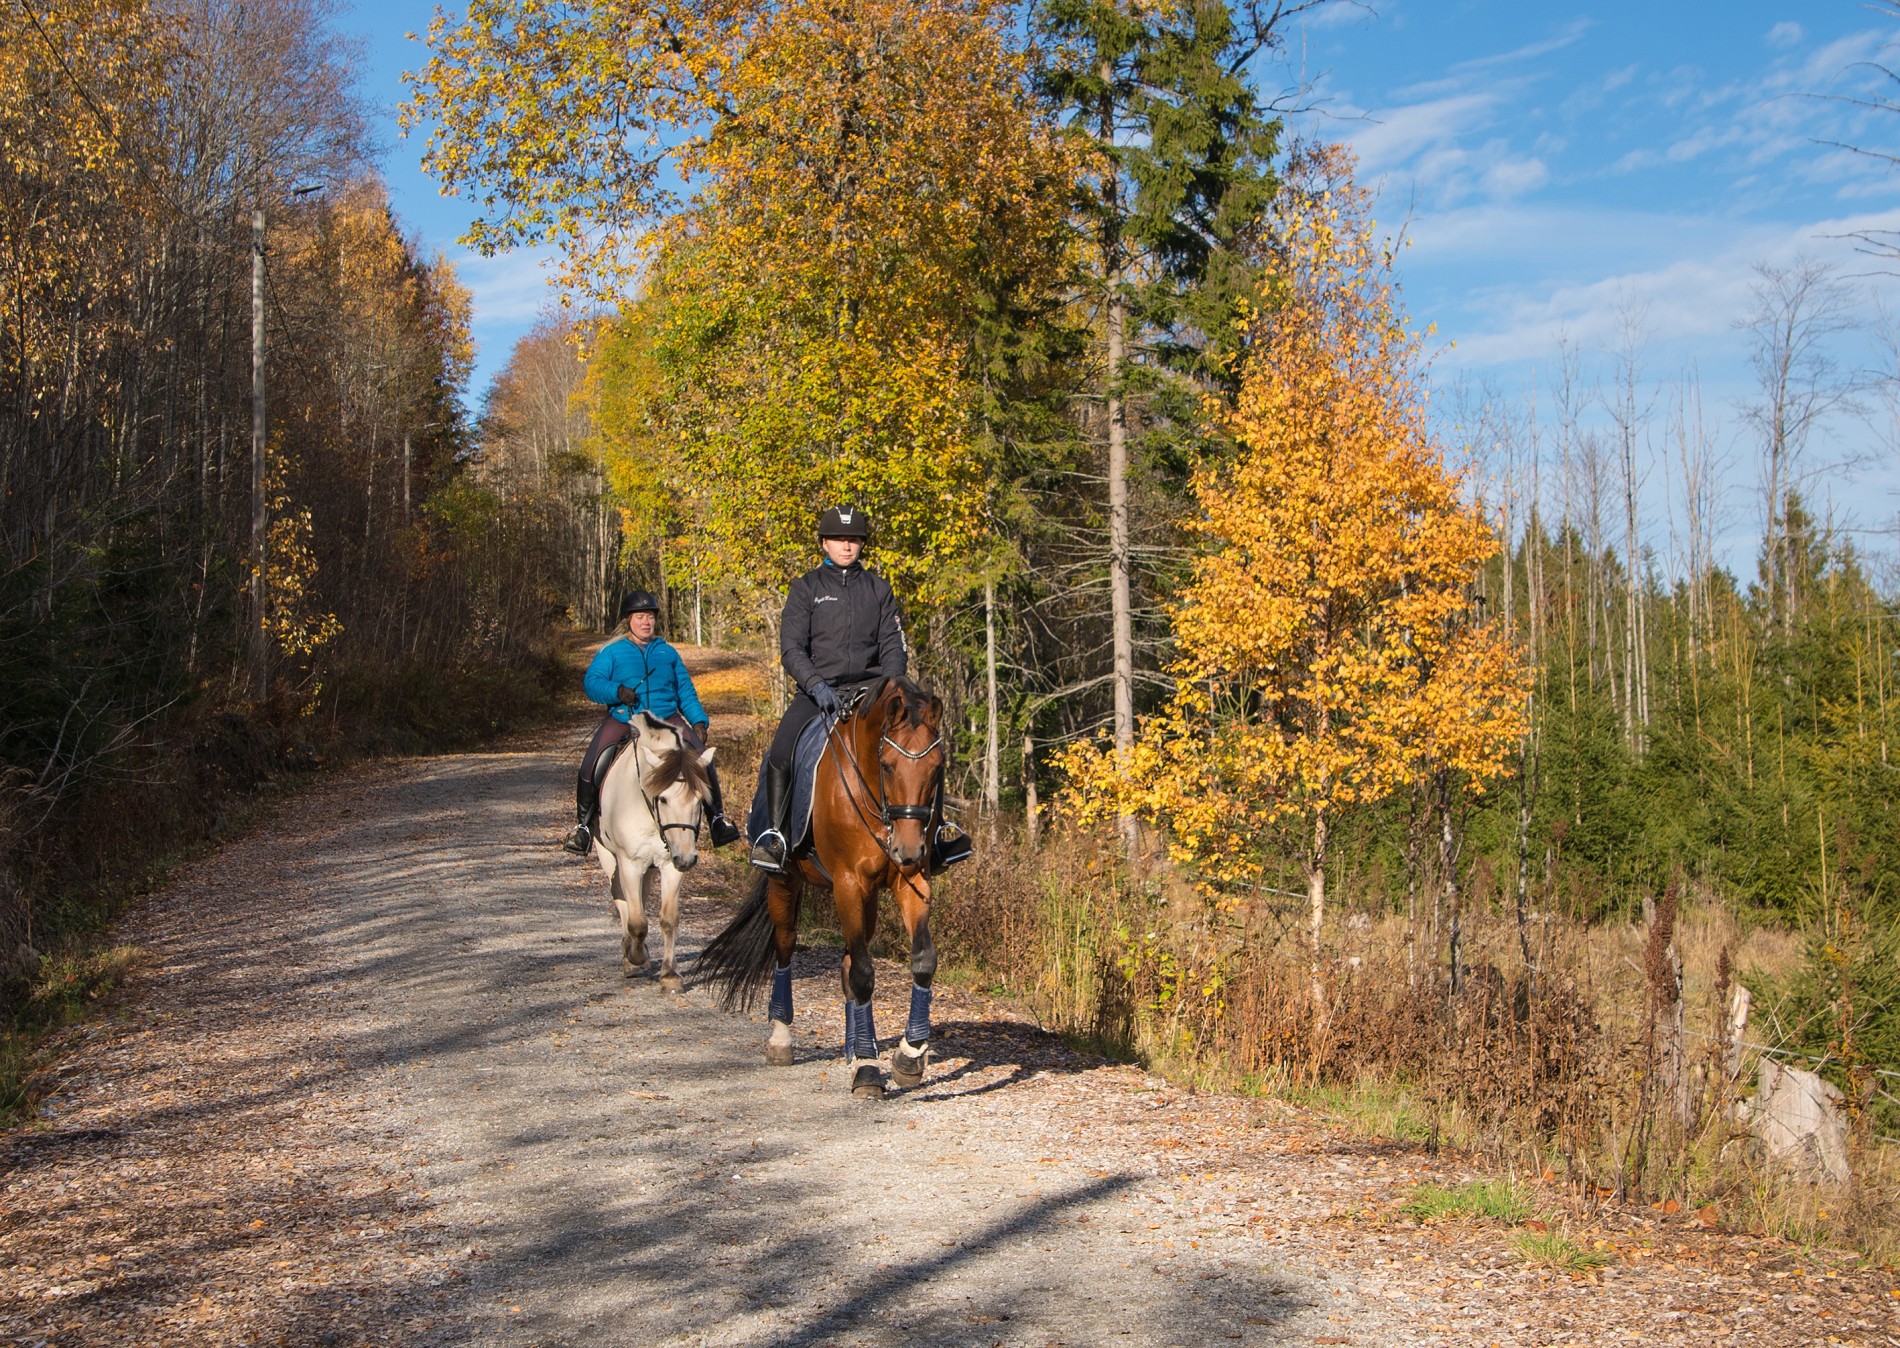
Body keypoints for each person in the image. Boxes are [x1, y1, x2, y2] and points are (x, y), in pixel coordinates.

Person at [749, 506, 970, 874]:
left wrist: (891, 687)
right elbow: (791, 648)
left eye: (853, 539)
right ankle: (775, 836)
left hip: (873, 694)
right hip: (818, 694)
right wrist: (816, 685)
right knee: (782, 750)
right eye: (839, 539)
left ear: (862, 544)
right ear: (824, 543)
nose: (847, 546)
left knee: (924, 749)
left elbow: (893, 644)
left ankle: (937, 835)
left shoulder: (879, 589)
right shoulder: (806, 588)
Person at [563, 590, 742, 855]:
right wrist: (617, 691)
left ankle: (717, 818)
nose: (646, 622)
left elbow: (685, 690)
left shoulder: (667, 653)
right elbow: (592, 682)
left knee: (703, 759)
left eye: (650, 617)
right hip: (626, 717)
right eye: (640, 617)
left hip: (667, 718)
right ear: (628, 620)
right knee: (593, 760)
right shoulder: (611, 651)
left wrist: (698, 721)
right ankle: (583, 827)